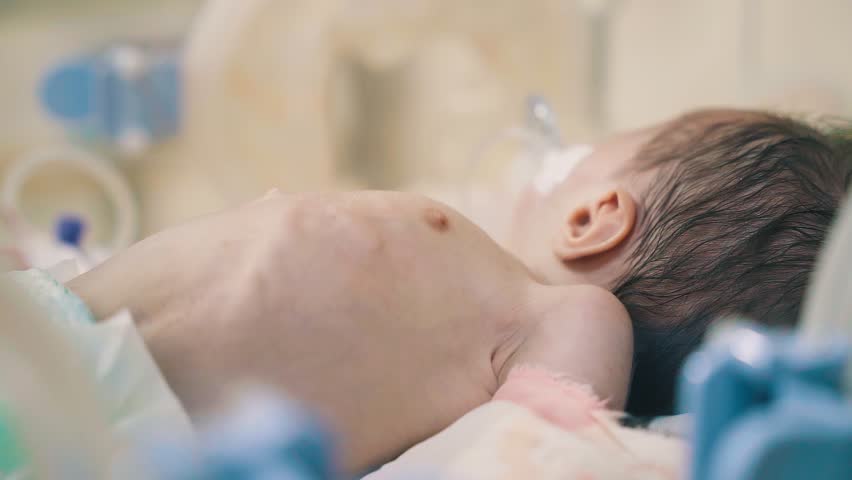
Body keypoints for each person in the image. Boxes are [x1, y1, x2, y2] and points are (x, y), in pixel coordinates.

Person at [67, 108, 850, 469]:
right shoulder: (499, 297)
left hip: (125, 412)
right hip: (73, 323)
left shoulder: (574, 316)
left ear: (594, 216)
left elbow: (518, 452)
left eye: (577, 162)